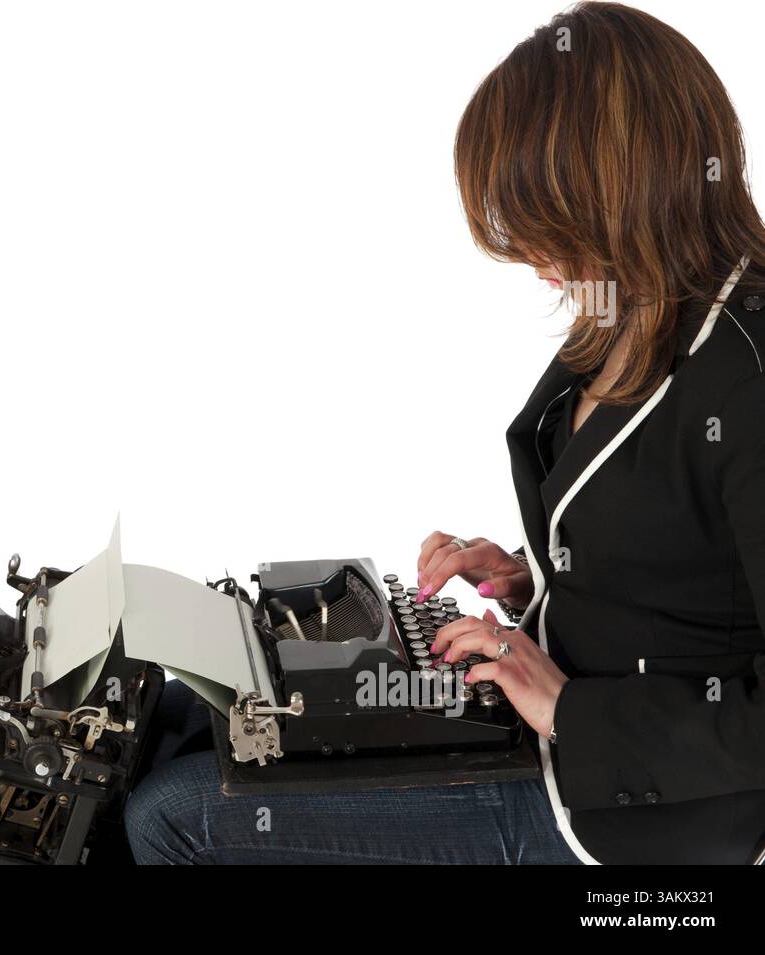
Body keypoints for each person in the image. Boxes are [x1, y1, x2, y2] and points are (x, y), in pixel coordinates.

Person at [125, 1, 765, 865]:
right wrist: (533, 576)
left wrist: (565, 707)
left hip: (624, 822)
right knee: (167, 723)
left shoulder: (749, 373)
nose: (537, 259)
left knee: (174, 814)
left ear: (628, 190)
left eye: (555, 223)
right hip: (541, 738)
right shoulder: (633, 313)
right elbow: (673, 557)